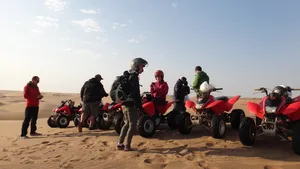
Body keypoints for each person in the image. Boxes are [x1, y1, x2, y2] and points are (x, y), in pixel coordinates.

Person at [116, 57, 148, 151]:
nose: (143, 69)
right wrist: (140, 108)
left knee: (126, 123)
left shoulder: (129, 75)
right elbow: (136, 94)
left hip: (124, 104)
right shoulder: (134, 77)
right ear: (137, 66)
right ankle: (127, 146)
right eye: (142, 66)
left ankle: (120, 143)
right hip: (130, 105)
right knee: (132, 124)